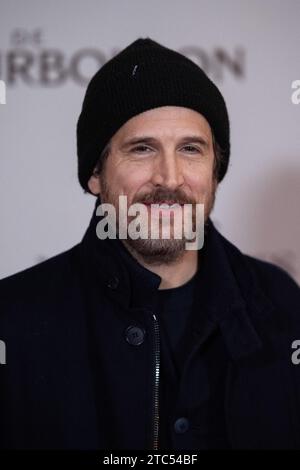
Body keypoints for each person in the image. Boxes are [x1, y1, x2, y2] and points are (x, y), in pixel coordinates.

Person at [0, 37, 300, 450]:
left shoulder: (281, 303)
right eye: (142, 149)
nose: (170, 178)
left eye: (191, 150)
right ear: (95, 174)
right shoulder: (13, 321)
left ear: (215, 171)